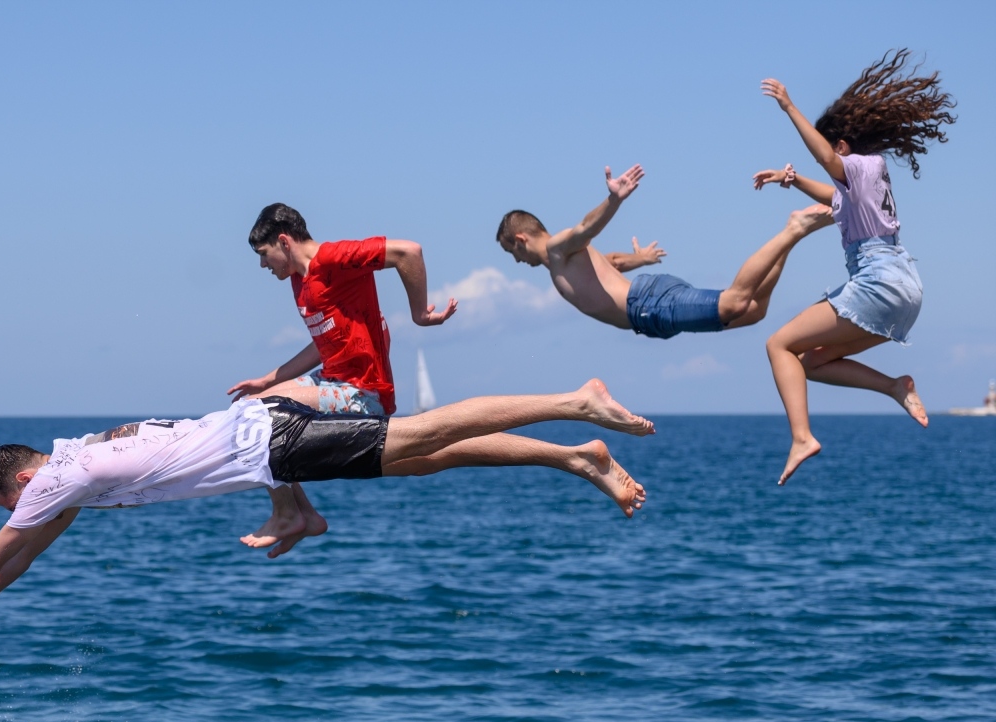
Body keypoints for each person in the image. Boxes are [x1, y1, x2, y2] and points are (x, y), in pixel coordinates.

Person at [0, 379, 653, 669]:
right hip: (272, 439)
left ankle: (573, 402)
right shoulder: (74, 472)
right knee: (425, 459)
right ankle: (573, 457)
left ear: (22, 479)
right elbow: (14, 564)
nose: (26, 515)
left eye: (14, 504)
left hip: (272, 440)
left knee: (422, 433)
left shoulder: (56, 478)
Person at [753, 51, 954, 484]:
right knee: (808, 363)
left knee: (777, 346)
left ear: (843, 146)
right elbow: (832, 195)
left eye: (831, 150)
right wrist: (791, 181)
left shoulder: (864, 164)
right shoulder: (865, 182)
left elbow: (829, 164)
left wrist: (789, 105)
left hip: (878, 282)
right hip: (905, 292)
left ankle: (802, 437)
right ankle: (895, 387)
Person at [228, 204, 459, 557]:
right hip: (333, 381)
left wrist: (419, 314)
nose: (263, 265)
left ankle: (288, 513)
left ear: (284, 241)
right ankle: (302, 515)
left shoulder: (334, 258)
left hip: (363, 392)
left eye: (263, 255)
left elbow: (408, 251)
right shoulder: (299, 280)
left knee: (261, 415)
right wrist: (267, 380)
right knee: (249, 409)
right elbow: (323, 344)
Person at [496, 166, 833, 342]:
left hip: (646, 306)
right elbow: (609, 263)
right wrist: (639, 260)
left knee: (734, 303)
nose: (516, 261)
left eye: (511, 251)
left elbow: (585, 228)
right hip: (649, 309)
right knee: (753, 311)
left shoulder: (556, 252)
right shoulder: (567, 259)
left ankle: (794, 228)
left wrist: (614, 201)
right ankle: (793, 236)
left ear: (521, 239)